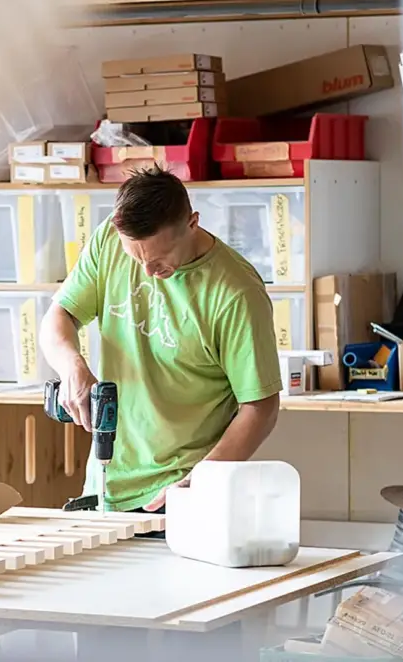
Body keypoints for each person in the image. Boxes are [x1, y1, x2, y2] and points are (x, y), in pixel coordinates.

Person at [39, 165, 282, 528]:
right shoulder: (109, 240)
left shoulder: (236, 293)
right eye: (136, 258)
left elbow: (261, 407)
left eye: (159, 261)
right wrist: (71, 365)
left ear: (192, 223)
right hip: (106, 485)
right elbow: (59, 317)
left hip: (183, 491)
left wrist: (201, 479)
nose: (147, 273)